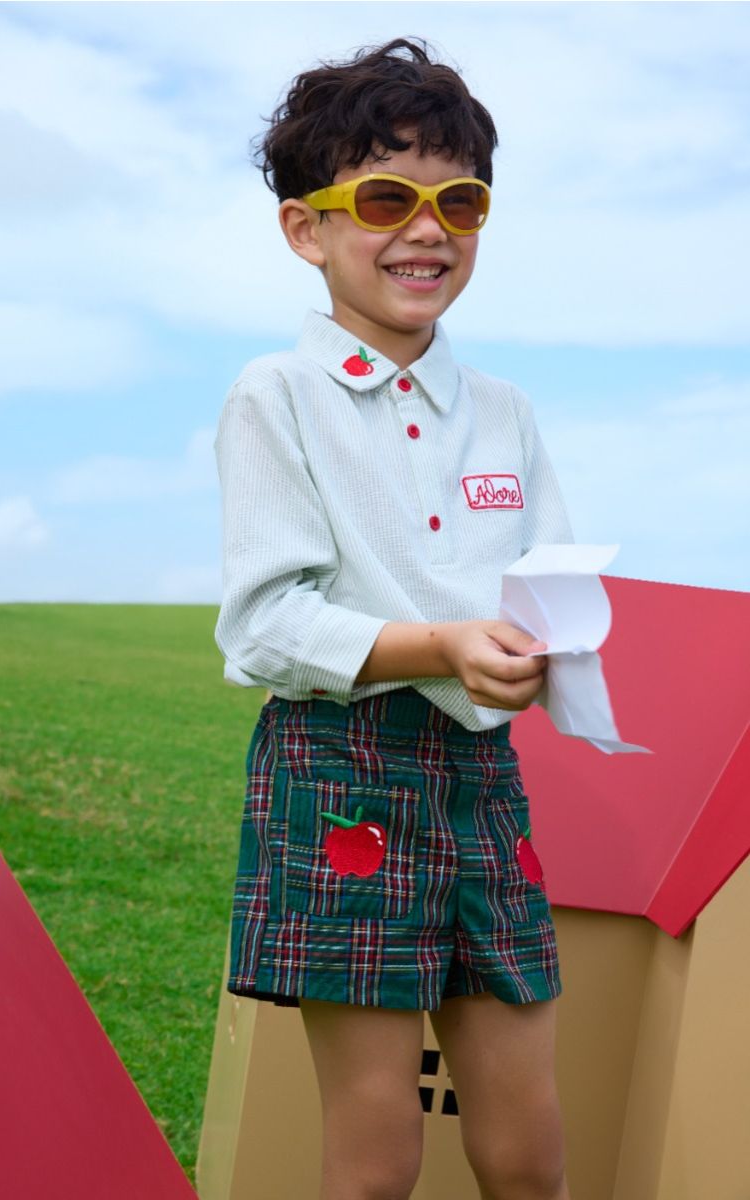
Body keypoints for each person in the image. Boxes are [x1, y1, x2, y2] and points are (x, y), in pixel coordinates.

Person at [214, 37, 573, 1200]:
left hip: (481, 773)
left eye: (458, 201)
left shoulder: (506, 413)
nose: (428, 230)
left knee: (528, 1152)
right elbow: (265, 622)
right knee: (375, 1163)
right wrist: (438, 647)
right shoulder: (276, 395)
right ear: (305, 229)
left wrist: (561, 651)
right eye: (386, 197)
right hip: (343, 769)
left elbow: (553, 589)